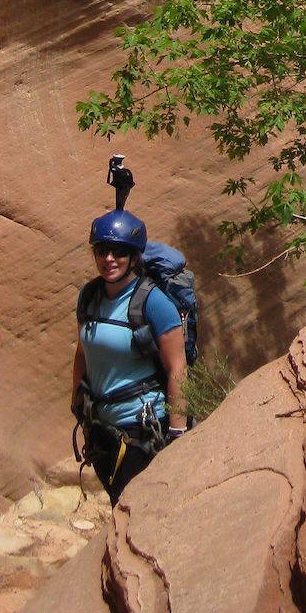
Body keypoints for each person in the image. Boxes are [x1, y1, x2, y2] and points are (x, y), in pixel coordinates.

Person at [71, 209, 188, 504]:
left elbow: (177, 367)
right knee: (118, 507)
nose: (109, 258)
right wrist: (76, 402)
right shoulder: (89, 295)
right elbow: (82, 350)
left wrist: (177, 431)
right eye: (102, 250)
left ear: (134, 257)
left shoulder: (153, 303)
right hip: (100, 427)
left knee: (133, 510)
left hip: (142, 430)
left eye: (119, 252)